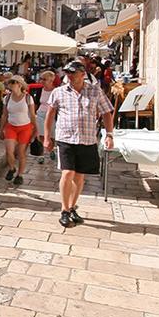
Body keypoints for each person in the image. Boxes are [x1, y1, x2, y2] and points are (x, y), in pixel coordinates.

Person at [43, 60, 115, 228]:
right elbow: (49, 115)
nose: (69, 75)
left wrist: (109, 134)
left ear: (83, 74)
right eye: (67, 72)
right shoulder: (58, 92)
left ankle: (72, 206)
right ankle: (64, 210)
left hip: (87, 138)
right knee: (67, 173)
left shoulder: (95, 91)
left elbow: (106, 113)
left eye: (73, 73)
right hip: (66, 138)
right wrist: (47, 137)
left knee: (79, 176)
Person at [0, 76, 37, 185]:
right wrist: (1, 130)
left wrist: (36, 130)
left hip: (25, 127)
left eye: (13, 82)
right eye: (10, 82)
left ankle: (20, 175)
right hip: (11, 126)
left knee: (21, 153)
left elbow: (33, 115)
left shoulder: (28, 98)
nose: (11, 84)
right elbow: (4, 115)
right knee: (9, 151)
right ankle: (12, 168)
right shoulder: (7, 98)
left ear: (20, 84)